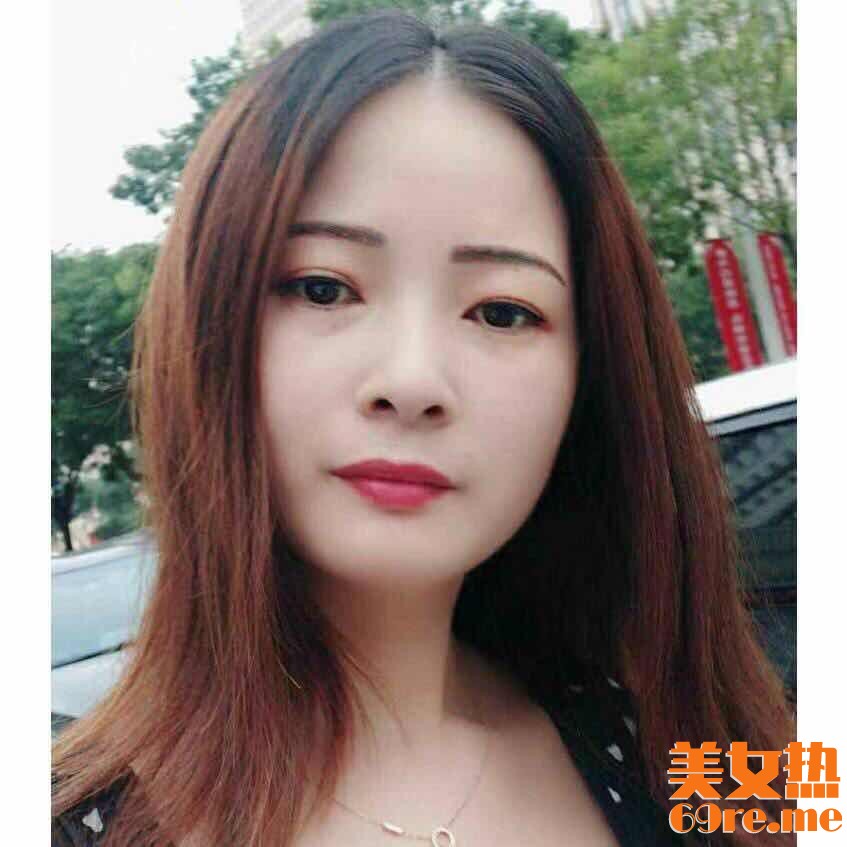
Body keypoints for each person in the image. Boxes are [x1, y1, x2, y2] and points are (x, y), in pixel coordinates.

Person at [52, 9, 796, 846]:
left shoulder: (700, 753)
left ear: (590, 378)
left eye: (502, 311)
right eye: (323, 288)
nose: (410, 382)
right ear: (206, 328)